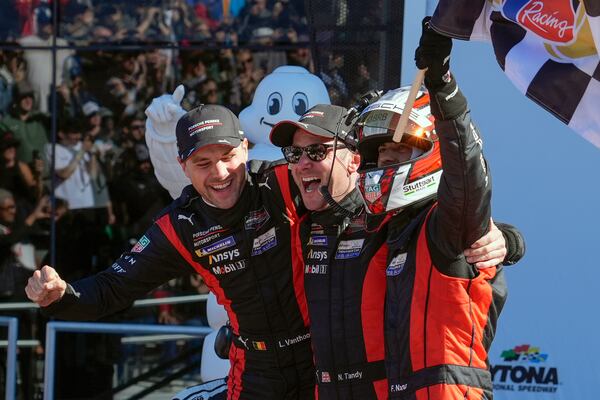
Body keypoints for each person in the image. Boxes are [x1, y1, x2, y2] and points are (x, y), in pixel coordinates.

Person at [26, 104, 315, 400]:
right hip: (257, 367)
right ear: (183, 166)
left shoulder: (282, 180)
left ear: (245, 148)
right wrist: (61, 296)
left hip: (319, 354)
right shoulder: (181, 225)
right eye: (203, 163)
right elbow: (114, 287)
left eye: (227, 157)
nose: (219, 173)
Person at [268, 99, 524, 398]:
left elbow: (457, 218)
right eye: (295, 154)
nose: (302, 162)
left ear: (354, 159)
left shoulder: (386, 216)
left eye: (316, 151)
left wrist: (507, 239)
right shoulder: (303, 224)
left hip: (385, 387)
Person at [353, 19, 523, 398]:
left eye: (400, 149)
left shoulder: (449, 221)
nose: (386, 161)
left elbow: (467, 172)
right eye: (381, 153)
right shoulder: (390, 231)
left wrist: (443, 87)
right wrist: (512, 241)